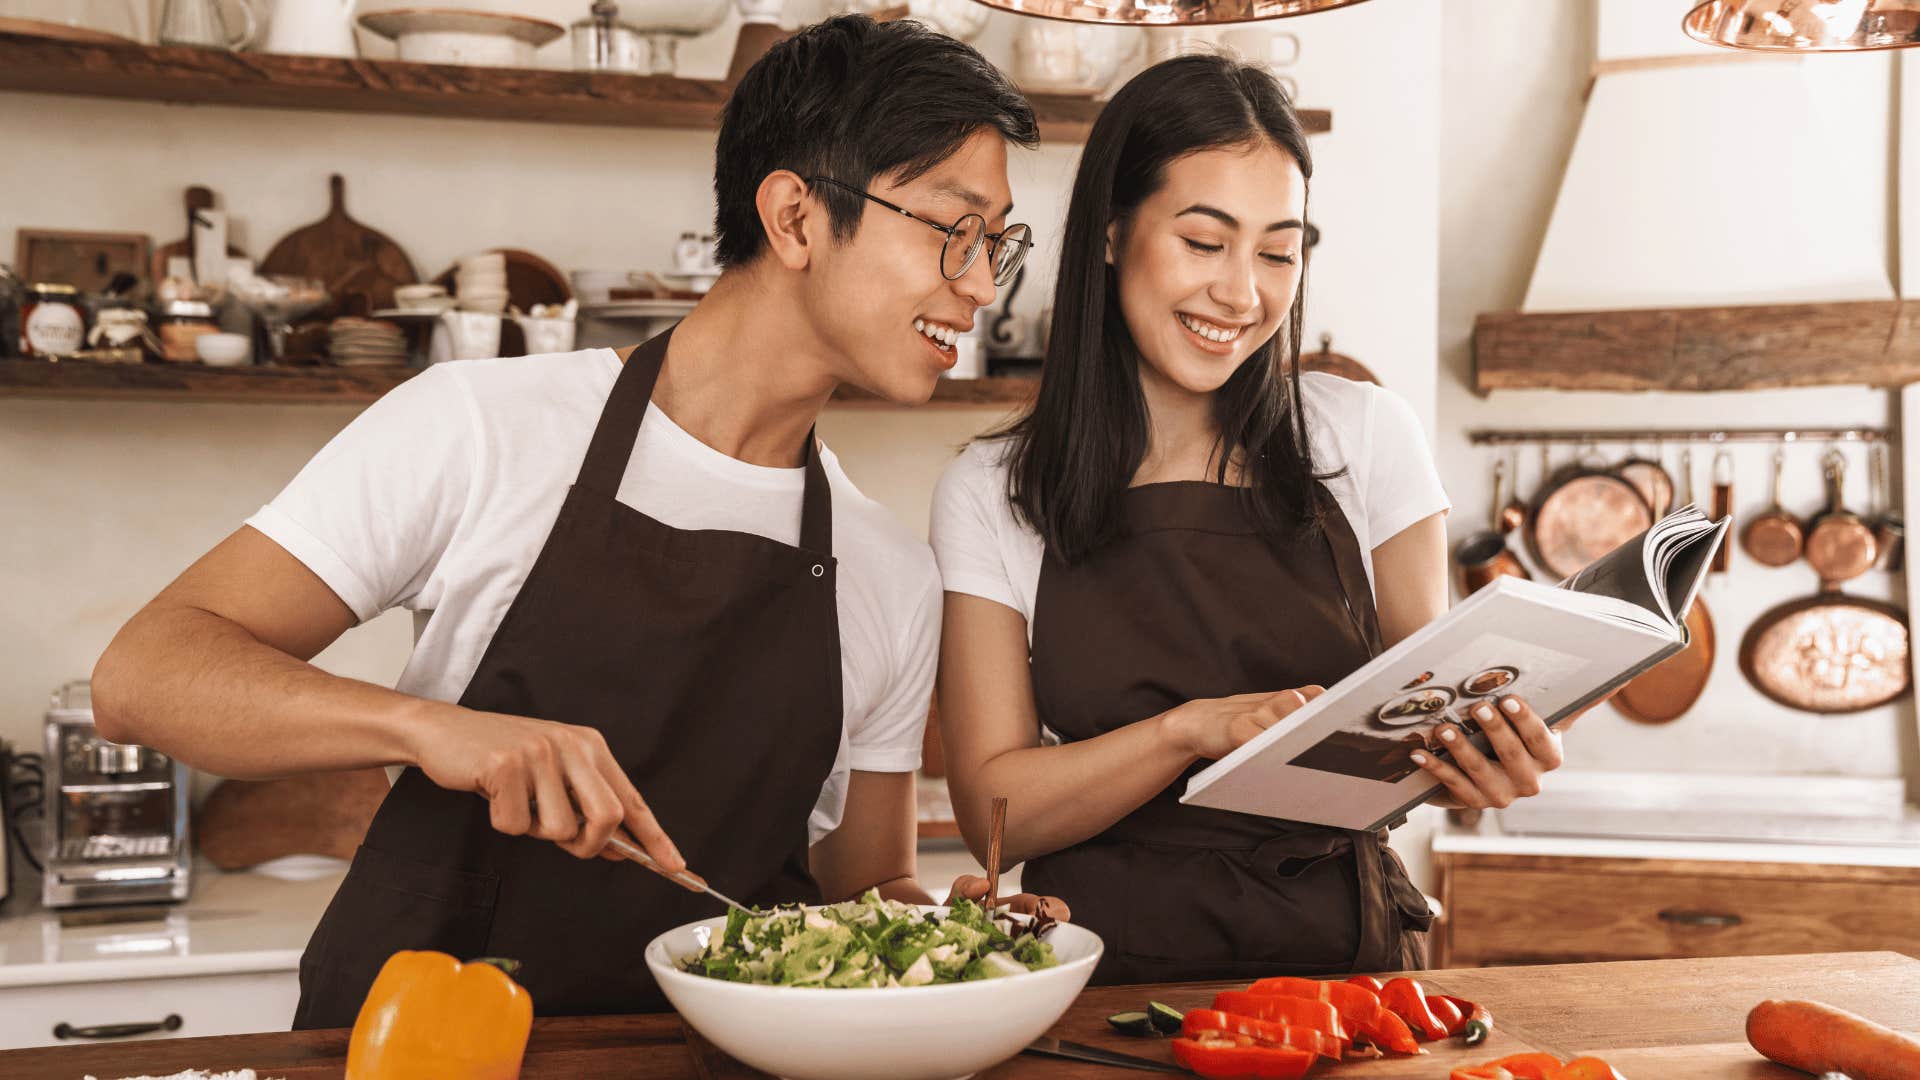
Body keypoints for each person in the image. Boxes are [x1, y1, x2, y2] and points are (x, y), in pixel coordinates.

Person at [90, 14, 1044, 1025]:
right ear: (796, 218)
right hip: (424, 1048)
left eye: (996, 243)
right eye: (952, 230)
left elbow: (863, 889)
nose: (981, 285)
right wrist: (433, 731)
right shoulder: (481, 427)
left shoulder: (885, 569)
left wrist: (955, 928)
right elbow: (142, 676)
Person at [930, 54, 1578, 985]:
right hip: (1095, 978)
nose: (1243, 295)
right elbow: (995, 813)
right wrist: (1185, 732)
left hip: (1345, 975)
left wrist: (1488, 758)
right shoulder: (993, 486)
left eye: (1277, 252)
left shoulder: (1363, 434)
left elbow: (1432, 721)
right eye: (1204, 242)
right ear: (1112, 234)